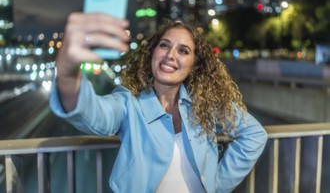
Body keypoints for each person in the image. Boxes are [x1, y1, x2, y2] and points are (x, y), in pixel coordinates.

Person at [50, 12, 268, 193]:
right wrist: (68, 73)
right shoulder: (128, 104)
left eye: (183, 50)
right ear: (152, 53)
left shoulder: (206, 104)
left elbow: (254, 135)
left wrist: (217, 185)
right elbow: (94, 114)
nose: (171, 55)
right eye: (164, 46)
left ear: (194, 65)